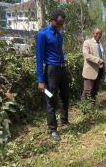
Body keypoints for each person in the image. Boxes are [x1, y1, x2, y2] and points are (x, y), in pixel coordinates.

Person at [36, 9, 70, 141]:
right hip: (51, 71)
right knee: (51, 98)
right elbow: (39, 58)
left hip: (62, 69)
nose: (62, 25)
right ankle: (52, 129)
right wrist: (40, 80)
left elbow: (61, 53)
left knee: (65, 96)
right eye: (60, 22)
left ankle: (64, 120)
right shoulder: (42, 34)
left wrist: (66, 67)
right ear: (52, 19)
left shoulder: (59, 35)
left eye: (63, 23)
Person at [81, 28, 105, 101]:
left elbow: (102, 56)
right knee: (87, 90)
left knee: (95, 90)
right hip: (90, 70)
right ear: (93, 33)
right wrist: (98, 60)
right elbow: (86, 55)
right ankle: (84, 108)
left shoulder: (100, 44)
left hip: (99, 70)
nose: (98, 35)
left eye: (100, 34)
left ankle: (92, 106)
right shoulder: (87, 42)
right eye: (96, 33)